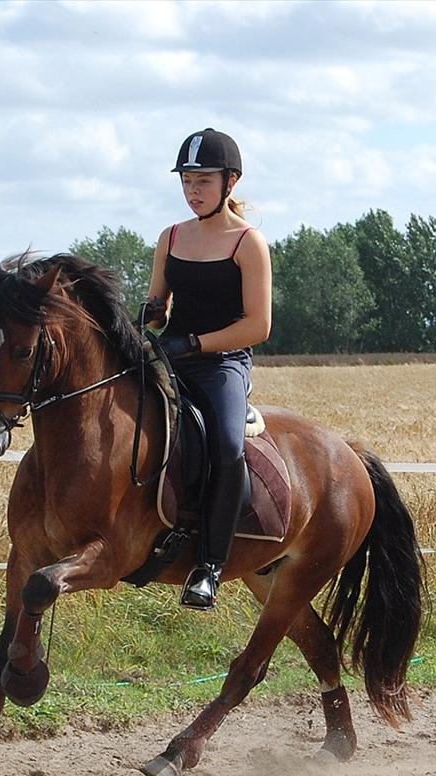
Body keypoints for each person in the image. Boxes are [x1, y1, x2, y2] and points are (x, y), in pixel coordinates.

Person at [144, 128, 272, 610]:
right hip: (169, 354)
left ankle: (210, 566)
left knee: (226, 445)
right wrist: (148, 316)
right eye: (186, 181)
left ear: (230, 182)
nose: (193, 191)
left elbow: (258, 325)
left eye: (203, 181)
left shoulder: (248, 243)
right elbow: (158, 308)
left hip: (222, 364)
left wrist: (196, 343)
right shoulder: (171, 237)